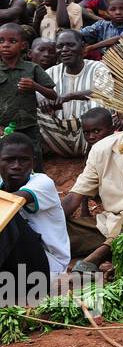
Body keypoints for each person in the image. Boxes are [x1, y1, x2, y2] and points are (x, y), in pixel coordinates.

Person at [60, 109, 123, 261]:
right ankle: (110, 250)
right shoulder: (101, 148)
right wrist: (48, 221)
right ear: (116, 110)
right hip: (109, 224)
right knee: (53, 233)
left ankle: (104, 254)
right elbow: (75, 196)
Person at [0, 132, 68, 288]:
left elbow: (14, 201)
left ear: (33, 162)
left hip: (47, 266)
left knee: (6, 216)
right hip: (17, 266)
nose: (16, 166)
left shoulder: (43, 182)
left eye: (23, 160)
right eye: (9, 160)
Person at [36, 28, 112, 160]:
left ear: (83, 48)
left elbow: (102, 92)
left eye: (70, 45)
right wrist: (42, 98)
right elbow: (37, 91)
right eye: (60, 46)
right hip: (59, 133)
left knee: (98, 103)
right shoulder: (50, 72)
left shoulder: (98, 68)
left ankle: (95, 155)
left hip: (88, 135)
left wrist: (69, 96)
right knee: (30, 108)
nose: (64, 49)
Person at [0, 23, 57, 168]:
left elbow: (53, 95)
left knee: (34, 159)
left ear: (23, 45)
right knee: (6, 161)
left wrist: (35, 86)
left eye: (12, 41)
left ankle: (36, 186)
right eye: (1, 41)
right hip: (3, 127)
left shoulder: (32, 68)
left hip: (29, 127)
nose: (6, 45)